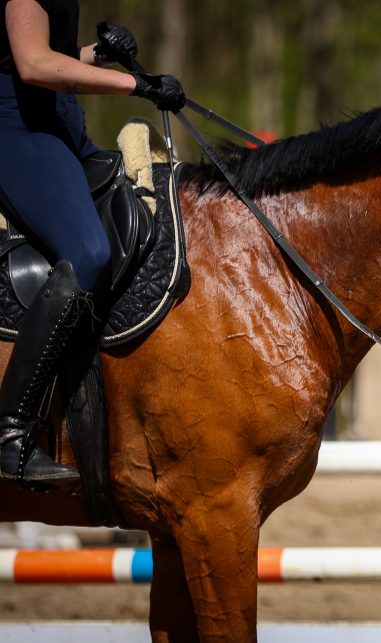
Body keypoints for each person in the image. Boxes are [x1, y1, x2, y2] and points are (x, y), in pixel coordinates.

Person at [0, 0, 185, 487]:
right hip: (17, 127)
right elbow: (32, 64)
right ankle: (10, 430)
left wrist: (97, 53)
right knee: (88, 251)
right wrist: (135, 85)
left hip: (61, 123)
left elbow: (53, 52)